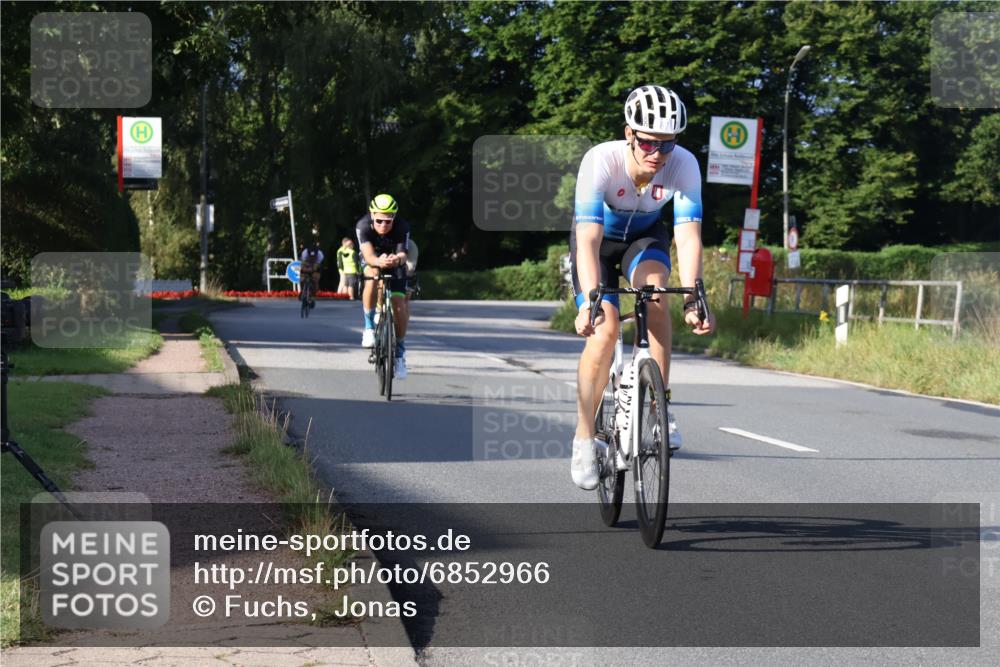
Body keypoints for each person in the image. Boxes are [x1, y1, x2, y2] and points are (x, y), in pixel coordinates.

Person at [569, 84, 715, 490]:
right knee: (605, 331)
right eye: (648, 143)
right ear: (629, 133)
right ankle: (584, 438)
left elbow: (687, 235)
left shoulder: (683, 164)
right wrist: (589, 303)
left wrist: (693, 295)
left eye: (666, 145)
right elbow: (588, 240)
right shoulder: (600, 160)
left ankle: (659, 405)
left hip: (644, 240)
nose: (657, 154)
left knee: (655, 298)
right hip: (598, 244)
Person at [356, 193, 412, 380]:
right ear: (372, 214)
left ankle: (400, 354)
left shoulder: (402, 227)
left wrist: (397, 259)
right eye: (379, 220)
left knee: (398, 303)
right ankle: (369, 327)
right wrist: (378, 261)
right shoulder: (363, 226)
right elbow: (369, 256)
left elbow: (403, 253)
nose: (383, 225)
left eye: (388, 221)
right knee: (371, 274)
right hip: (373, 259)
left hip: (393, 259)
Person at [299, 238, 324, 308]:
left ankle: (313, 295)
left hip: (315, 265)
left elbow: (317, 266)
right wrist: (305, 269)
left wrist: (313, 269)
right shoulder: (304, 253)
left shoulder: (320, 255)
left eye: (314, 256)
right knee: (302, 279)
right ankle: (302, 291)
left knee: (315, 279)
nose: (312, 257)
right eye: (311, 256)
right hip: (306, 263)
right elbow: (303, 265)